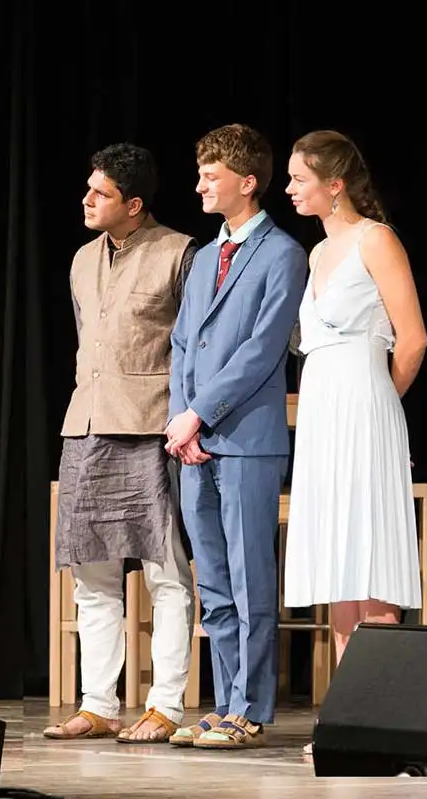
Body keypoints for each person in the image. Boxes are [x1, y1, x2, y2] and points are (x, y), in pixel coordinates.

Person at [43, 142, 197, 743]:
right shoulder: (83, 259)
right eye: (88, 188)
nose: (87, 199)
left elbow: (193, 346)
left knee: (165, 572)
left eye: (100, 193)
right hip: (86, 425)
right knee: (92, 575)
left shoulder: (180, 253)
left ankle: (165, 704)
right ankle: (99, 702)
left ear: (133, 204)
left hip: (149, 428)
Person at [165, 124, 307, 749]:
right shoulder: (202, 256)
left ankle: (249, 708)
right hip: (193, 442)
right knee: (214, 582)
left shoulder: (281, 253)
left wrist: (201, 413)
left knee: (251, 582)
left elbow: (262, 349)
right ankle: (223, 705)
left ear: (246, 183)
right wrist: (181, 420)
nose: (199, 184)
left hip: (245, 438)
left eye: (211, 175)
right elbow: (181, 344)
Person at [284, 131, 427, 743]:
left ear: (334, 184)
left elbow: (413, 339)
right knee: (339, 560)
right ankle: (350, 717)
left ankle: (385, 715)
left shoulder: (377, 239)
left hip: (365, 405)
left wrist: (376, 402)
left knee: (369, 555)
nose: (289, 189)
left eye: (299, 179)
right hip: (321, 412)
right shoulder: (318, 254)